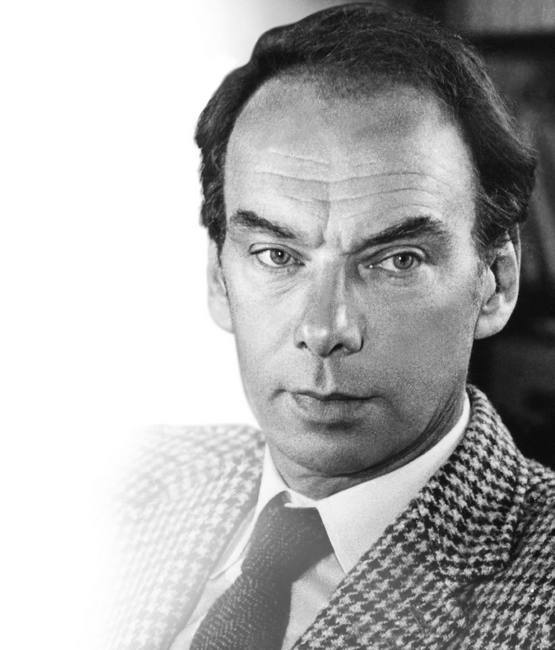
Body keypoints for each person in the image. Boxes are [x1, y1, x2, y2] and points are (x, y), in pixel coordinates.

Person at [108, 4, 555, 649]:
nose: (325, 329)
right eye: (276, 255)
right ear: (218, 278)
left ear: (495, 283)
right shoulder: (109, 483)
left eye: (398, 260)